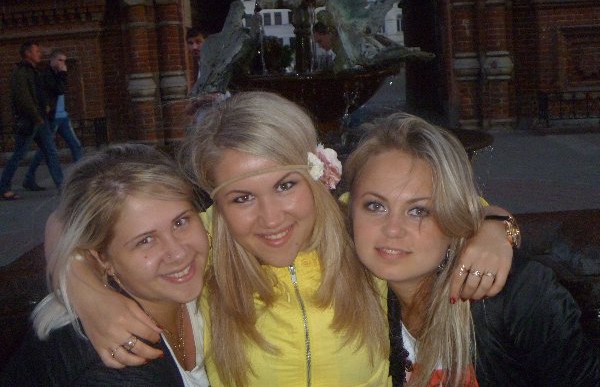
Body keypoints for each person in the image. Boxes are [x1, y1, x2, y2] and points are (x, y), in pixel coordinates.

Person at [62, 93, 513, 386]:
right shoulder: (202, 242)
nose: (271, 218)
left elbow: (452, 203)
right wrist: (81, 282)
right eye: (242, 198)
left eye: (285, 185)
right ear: (217, 204)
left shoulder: (360, 224)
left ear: (315, 175)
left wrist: (496, 227)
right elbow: (74, 220)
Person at [345, 112, 600, 386]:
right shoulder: (356, 294)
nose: (393, 229)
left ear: (453, 217)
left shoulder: (516, 297)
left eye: (418, 210)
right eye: (375, 206)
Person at [1, 144, 210, 386]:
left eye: (180, 222)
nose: (178, 253)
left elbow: (59, 219)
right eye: (145, 240)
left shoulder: (210, 261)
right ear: (102, 259)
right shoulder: (113, 366)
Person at [0, 41, 63, 200]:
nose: (39, 54)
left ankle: (62, 186)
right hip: (31, 120)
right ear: (28, 53)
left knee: (51, 152)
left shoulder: (33, 71)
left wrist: (45, 106)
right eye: (36, 51)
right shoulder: (21, 72)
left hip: (40, 119)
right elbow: (23, 98)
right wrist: (36, 116)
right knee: (19, 154)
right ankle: (3, 187)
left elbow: (38, 93)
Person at [22, 49, 83, 191]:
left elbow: (63, 89)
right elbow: (59, 89)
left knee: (75, 145)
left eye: (64, 61)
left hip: (63, 116)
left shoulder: (58, 75)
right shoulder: (46, 75)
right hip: (52, 117)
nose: (63, 63)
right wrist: (63, 74)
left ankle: (81, 177)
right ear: (52, 60)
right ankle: (29, 177)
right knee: (46, 150)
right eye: (60, 60)